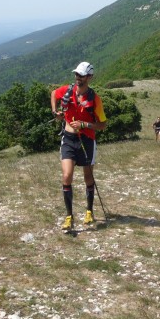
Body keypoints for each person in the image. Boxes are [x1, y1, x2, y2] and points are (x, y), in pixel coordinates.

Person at [51, 61, 107, 231]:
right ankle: (69, 217)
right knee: (67, 175)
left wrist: (84, 125)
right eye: (76, 74)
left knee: (88, 177)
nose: (78, 78)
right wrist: (55, 112)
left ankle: (89, 211)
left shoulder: (95, 99)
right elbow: (54, 93)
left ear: (89, 77)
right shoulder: (68, 91)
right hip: (68, 138)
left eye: (81, 75)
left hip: (87, 140)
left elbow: (103, 124)